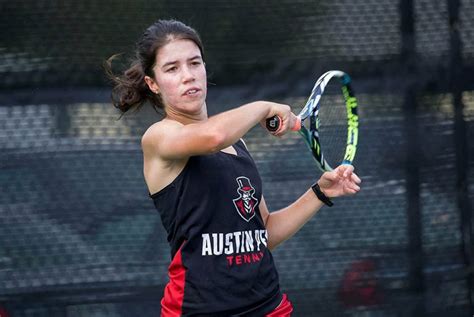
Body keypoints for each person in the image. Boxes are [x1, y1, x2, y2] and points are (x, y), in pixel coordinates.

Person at [106, 19, 361, 317]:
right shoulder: (160, 138)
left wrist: (319, 192)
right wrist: (264, 107)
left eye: (194, 63)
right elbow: (212, 137)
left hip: (269, 307)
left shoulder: (237, 145)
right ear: (153, 83)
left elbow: (263, 234)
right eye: (172, 69)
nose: (188, 76)